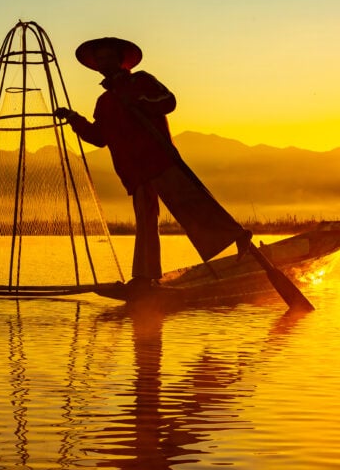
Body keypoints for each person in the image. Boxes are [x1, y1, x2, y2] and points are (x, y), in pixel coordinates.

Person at [55, 37, 250, 288]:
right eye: (100, 59)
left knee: (190, 202)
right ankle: (145, 276)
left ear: (119, 61)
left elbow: (169, 101)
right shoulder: (104, 103)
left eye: (108, 57)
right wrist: (74, 118)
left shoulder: (141, 81)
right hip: (134, 171)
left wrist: (141, 102)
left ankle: (238, 235)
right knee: (146, 222)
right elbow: (99, 138)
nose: (104, 63)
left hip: (159, 158)